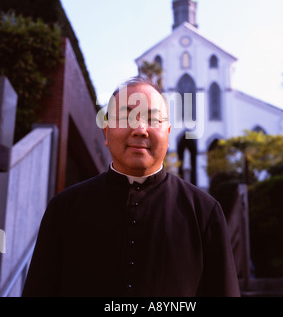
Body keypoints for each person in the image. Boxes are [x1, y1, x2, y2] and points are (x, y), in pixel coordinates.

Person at [22, 76, 240, 297]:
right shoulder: (64, 209)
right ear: (106, 132)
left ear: (168, 132)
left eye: (152, 119)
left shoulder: (204, 212)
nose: (140, 129)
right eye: (127, 117)